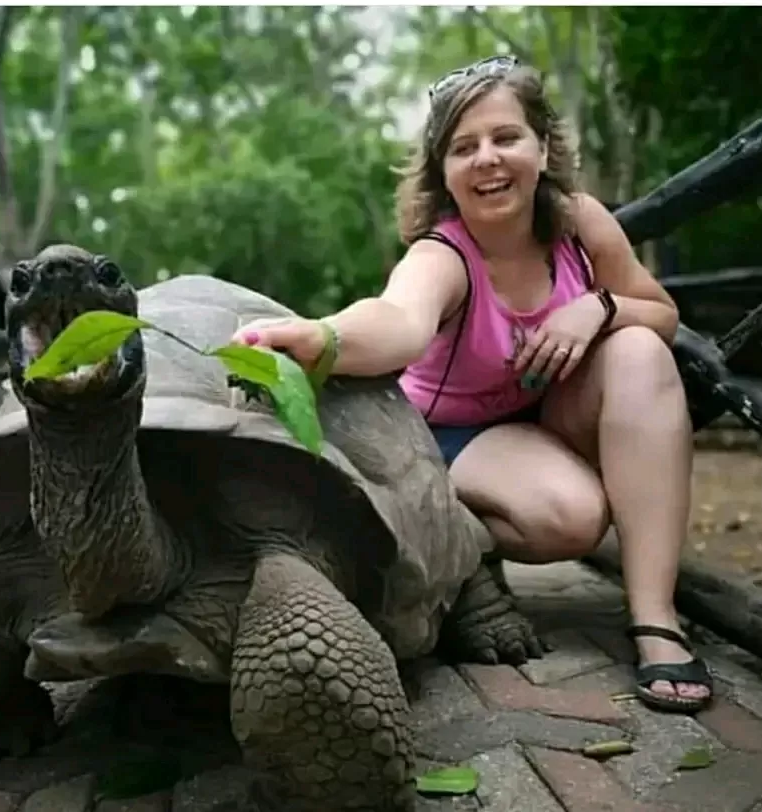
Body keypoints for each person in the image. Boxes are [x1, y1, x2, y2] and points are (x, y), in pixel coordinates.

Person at [229, 54, 712, 714]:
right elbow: (399, 319)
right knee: (572, 519)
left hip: (550, 411)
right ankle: (461, 543)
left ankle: (656, 620)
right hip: (451, 439)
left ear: (541, 149)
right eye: (464, 147)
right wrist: (326, 337)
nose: (488, 158)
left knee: (640, 353)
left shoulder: (580, 223)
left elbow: (659, 312)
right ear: (445, 174)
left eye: (505, 137)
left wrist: (595, 307)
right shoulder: (444, 253)